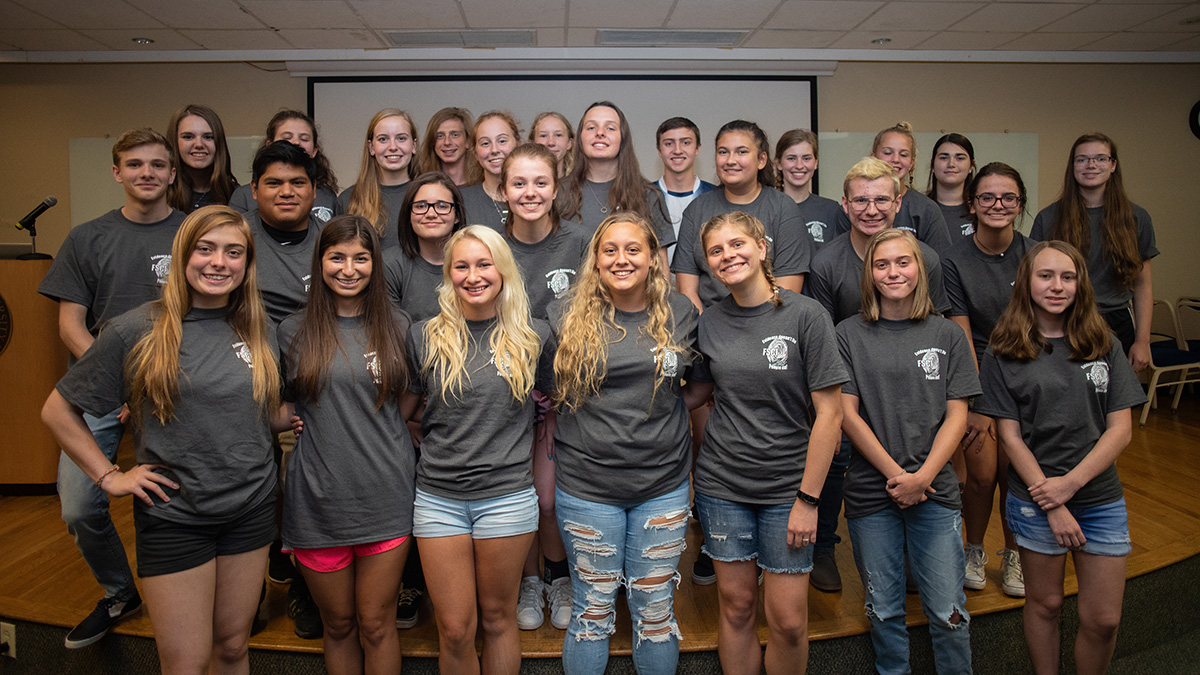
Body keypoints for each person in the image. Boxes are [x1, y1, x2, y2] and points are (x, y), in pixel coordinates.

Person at [42, 205, 288, 674]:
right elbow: (58, 411)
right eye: (205, 249)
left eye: (233, 252)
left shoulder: (260, 329)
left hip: (251, 508)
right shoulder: (136, 329)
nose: (219, 262)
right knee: (186, 662)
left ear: (247, 263)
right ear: (182, 255)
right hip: (176, 516)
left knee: (234, 646)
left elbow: (262, 411)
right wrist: (109, 475)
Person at [37, 128, 184, 649]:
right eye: (136, 164)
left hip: (180, 388)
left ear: (173, 173)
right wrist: (118, 385)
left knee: (186, 500)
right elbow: (71, 326)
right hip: (105, 389)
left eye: (158, 165)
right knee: (78, 507)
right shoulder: (86, 237)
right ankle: (120, 591)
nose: (148, 173)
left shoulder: (193, 233)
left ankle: (195, 593)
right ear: (117, 172)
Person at [976, 241, 1146, 675]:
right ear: (1026, 283)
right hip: (1035, 499)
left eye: (1067, 277)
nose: (1057, 286)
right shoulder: (1003, 349)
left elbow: (1120, 429)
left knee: (1103, 619)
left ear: (1080, 284)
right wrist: (1051, 504)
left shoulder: (1102, 341)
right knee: (1046, 603)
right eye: (1046, 276)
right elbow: (1010, 438)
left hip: (1099, 497)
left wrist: (1068, 487)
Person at [687, 212, 844, 674]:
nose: (727, 256)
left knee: (790, 621)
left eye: (737, 244)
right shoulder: (710, 322)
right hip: (722, 486)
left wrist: (808, 500)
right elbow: (696, 393)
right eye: (716, 251)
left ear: (761, 247)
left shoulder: (806, 315)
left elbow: (830, 414)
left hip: (789, 490)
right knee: (736, 608)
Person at [548, 213, 698, 674]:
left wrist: (656, 421)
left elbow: (699, 385)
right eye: (609, 249)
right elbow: (546, 390)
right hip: (588, 486)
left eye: (634, 249)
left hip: (663, 484)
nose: (621, 259)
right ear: (595, 258)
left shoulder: (681, 311)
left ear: (654, 257)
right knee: (592, 613)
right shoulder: (562, 314)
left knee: (654, 615)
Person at [405, 225, 554, 675]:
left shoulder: (535, 336)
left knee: (497, 618)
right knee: (454, 628)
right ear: (449, 275)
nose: (473, 275)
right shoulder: (423, 336)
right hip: (438, 499)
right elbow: (403, 410)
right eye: (462, 266)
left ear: (503, 270)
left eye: (484, 264)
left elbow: (554, 404)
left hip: (507, 497)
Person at [804, 157, 951, 592]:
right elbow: (822, 336)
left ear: (899, 201)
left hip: (907, 383)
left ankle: (910, 552)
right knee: (835, 459)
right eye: (861, 200)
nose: (872, 209)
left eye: (882, 199)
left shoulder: (923, 258)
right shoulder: (827, 262)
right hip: (844, 381)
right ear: (845, 205)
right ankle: (824, 547)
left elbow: (936, 323)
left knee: (913, 455)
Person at [837, 228, 979, 675]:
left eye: (903, 262)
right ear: (869, 273)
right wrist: (900, 476)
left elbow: (958, 416)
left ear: (920, 269)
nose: (893, 272)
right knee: (884, 610)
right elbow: (847, 416)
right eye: (882, 264)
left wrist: (922, 478)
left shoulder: (948, 334)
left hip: (935, 491)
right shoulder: (847, 334)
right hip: (869, 492)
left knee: (947, 613)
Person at [278, 216, 415, 675]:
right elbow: (275, 404)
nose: (349, 268)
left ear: (376, 264)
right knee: (338, 625)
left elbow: (412, 395)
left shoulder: (397, 323)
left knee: (377, 624)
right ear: (320, 263)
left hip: (385, 494)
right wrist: (285, 419)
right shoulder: (292, 330)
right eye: (337, 257)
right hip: (317, 498)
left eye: (361, 258)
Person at [496, 144, 590, 631]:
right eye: (519, 183)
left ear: (556, 190)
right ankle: (530, 580)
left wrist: (560, 387)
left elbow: (595, 317)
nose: (530, 193)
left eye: (540, 183)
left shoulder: (579, 244)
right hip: (503, 396)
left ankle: (562, 578)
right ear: (503, 190)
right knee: (522, 495)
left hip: (566, 397)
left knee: (553, 498)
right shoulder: (491, 246)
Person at [942, 162, 1035, 597]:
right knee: (980, 473)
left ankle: (1015, 554)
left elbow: (1042, 328)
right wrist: (980, 404)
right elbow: (961, 332)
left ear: (1019, 204)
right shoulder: (954, 260)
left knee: (1018, 474)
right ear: (972, 204)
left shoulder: (1037, 256)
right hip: (978, 375)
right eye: (987, 197)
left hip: (1030, 376)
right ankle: (973, 548)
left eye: (1008, 198)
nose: (997, 205)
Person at [244, 140, 324, 638]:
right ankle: (247, 592)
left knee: (301, 484)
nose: (286, 191)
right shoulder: (237, 238)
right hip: (246, 382)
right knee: (254, 485)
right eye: (274, 182)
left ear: (314, 190)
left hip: (312, 384)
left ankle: (301, 582)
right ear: (254, 191)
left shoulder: (329, 237)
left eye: (298, 182)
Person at [1030, 132, 1157, 372]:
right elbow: (1033, 280)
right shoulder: (1048, 218)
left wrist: (1143, 341)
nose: (1091, 165)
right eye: (1082, 159)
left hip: (1116, 321)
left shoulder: (1137, 218)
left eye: (1100, 158)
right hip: (1062, 320)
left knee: (1114, 400)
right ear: (1073, 166)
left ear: (1113, 165)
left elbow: (1143, 285)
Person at [672, 119, 809, 311]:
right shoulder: (697, 210)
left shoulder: (783, 208)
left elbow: (788, 290)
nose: (730, 160)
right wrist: (706, 329)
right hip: (708, 326)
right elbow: (687, 291)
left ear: (761, 160)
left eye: (742, 152)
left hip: (769, 322)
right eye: (723, 152)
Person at [558, 101, 675, 263]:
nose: (600, 133)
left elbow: (660, 270)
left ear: (623, 138)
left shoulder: (648, 195)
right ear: (580, 138)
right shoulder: (557, 193)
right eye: (591, 127)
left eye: (610, 128)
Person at [835, 122, 952, 254]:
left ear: (912, 162)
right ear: (873, 157)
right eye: (888, 152)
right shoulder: (851, 209)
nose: (895, 159)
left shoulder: (926, 209)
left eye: (903, 154)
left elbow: (940, 261)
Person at [230, 109, 339, 224]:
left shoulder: (328, 195)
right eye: (287, 137)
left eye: (304, 139)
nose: (295, 142)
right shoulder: (243, 195)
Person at [384, 171, 466, 322]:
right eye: (421, 206)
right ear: (409, 215)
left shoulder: (474, 263)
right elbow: (391, 331)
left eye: (442, 206)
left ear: (457, 215)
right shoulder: (390, 265)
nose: (431, 214)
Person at [338, 109, 419, 250]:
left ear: (413, 145)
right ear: (371, 147)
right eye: (383, 139)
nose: (393, 147)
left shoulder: (430, 196)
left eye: (401, 138)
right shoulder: (348, 199)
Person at [654, 116, 717, 264]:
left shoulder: (716, 196)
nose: (677, 150)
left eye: (686, 143)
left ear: (697, 149)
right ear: (659, 151)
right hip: (654, 285)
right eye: (669, 143)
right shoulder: (643, 196)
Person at [774, 129, 841, 254]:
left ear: (816, 163)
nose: (799, 165)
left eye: (806, 158)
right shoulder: (768, 207)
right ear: (779, 163)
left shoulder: (831, 209)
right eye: (791, 158)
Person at [167, 104, 238, 213]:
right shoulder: (161, 195)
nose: (199, 144)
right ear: (175, 142)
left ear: (218, 142)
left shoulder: (237, 196)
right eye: (188, 137)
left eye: (208, 137)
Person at [459, 111, 521, 232]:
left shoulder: (535, 195)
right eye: (485, 143)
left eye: (502, 141)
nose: (494, 150)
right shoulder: (461, 200)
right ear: (475, 153)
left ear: (517, 144)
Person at [925, 133, 976, 242]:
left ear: (971, 166)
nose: (951, 164)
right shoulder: (921, 208)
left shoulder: (980, 209)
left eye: (960, 158)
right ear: (932, 164)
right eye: (944, 158)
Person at [418, 107, 480, 187]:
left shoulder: (483, 186)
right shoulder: (422, 188)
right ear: (433, 142)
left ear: (468, 141)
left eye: (455, 135)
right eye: (440, 136)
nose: (447, 142)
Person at [529, 111, 576, 180]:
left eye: (558, 135)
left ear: (569, 143)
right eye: (543, 135)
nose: (551, 142)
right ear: (533, 143)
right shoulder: (522, 184)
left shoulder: (580, 185)